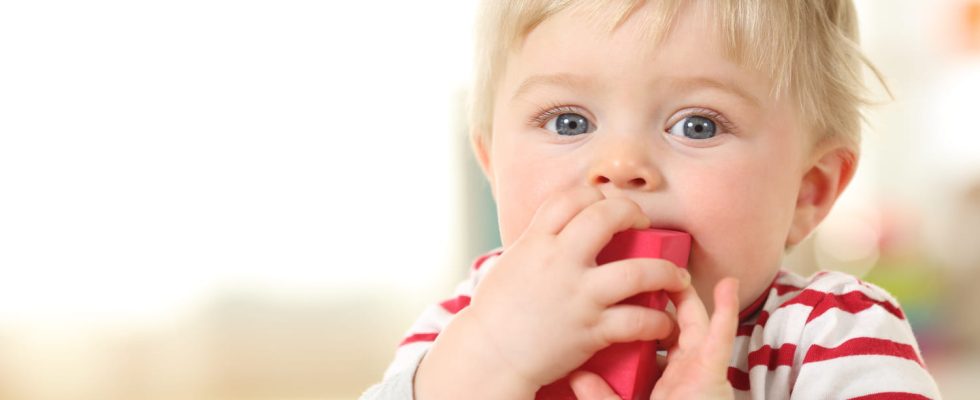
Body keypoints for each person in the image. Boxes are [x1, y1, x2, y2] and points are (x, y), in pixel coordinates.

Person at [363, 0, 941, 398]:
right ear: (491, 163)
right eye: (567, 121)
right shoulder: (471, 317)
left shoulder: (830, 336)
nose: (620, 167)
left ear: (807, 192)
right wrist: (490, 359)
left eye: (697, 125)